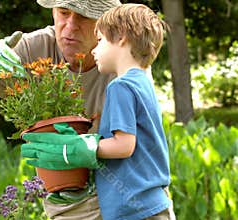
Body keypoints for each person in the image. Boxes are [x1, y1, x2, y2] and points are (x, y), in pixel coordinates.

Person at [21, 3, 175, 219]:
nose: (94, 50)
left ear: (121, 38)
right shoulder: (142, 82)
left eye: (100, 40)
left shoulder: (120, 86)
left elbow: (124, 145)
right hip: (152, 203)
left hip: (134, 209)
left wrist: (79, 148)